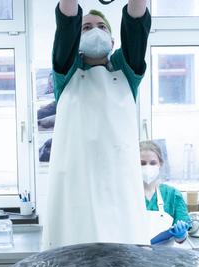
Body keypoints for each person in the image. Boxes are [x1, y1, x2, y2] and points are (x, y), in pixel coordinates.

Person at [42, 0, 151, 250]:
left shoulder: (126, 70)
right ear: (76, 42)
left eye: (102, 27)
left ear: (112, 42)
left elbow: (136, 23)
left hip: (118, 188)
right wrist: (72, 22)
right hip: (75, 188)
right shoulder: (66, 71)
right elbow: (66, 20)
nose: (95, 31)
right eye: (86, 27)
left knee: (123, 263)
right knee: (73, 258)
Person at [139, 140, 190, 244]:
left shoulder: (173, 195)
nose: (148, 167)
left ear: (160, 164)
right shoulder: (128, 196)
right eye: (142, 163)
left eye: (153, 163)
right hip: (134, 257)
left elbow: (181, 240)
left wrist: (181, 234)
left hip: (164, 258)